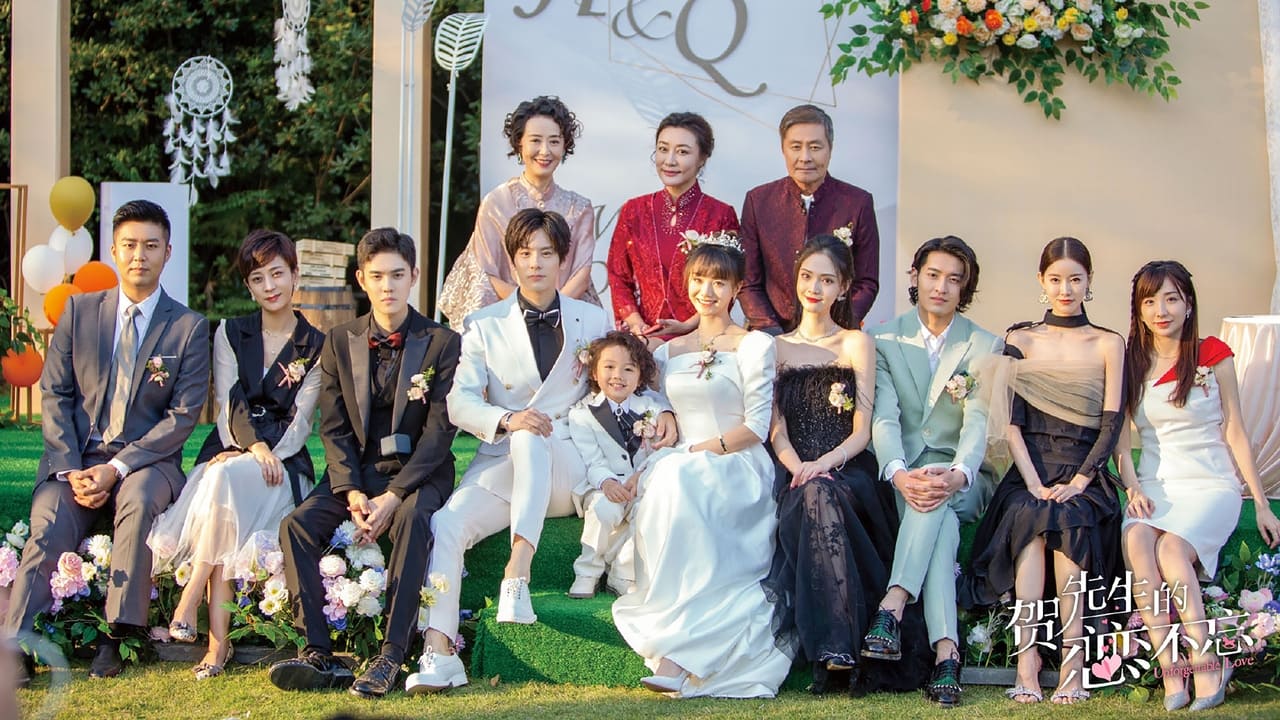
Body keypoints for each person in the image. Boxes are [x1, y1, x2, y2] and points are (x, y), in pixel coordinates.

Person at [405, 209, 675, 693]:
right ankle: (439, 650)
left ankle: (518, 571)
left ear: (562, 259)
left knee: (534, 436)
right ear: (511, 260)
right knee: (447, 523)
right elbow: (460, 403)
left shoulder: (591, 318)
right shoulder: (483, 323)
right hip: (504, 462)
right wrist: (508, 419)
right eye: (525, 253)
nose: (535, 263)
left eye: (546, 253)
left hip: (570, 465)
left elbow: (627, 377)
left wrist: (665, 409)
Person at [4, 200, 210, 683]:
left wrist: (117, 468)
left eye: (151, 246)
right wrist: (71, 467)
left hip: (148, 462)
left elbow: (182, 417)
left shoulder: (188, 327)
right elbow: (55, 393)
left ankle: (118, 633)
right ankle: (17, 641)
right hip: (77, 458)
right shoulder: (79, 312)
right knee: (49, 519)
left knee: (137, 500)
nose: (140, 255)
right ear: (114, 251)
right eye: (130, 245)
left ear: (167, 252)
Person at [267, 228, 462, 699]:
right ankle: (317, 652)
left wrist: (393, 497)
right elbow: (333, 427)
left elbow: (439, 434)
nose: (387, 286)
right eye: (377, 276)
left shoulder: (442, 342)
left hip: (419, 473)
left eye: (397, 275)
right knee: (296, 526)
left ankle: (391, 654)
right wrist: (353, 492)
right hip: (356, 472)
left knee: (413, 518)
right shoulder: (340, 340)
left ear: (414, 276)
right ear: (361, 279)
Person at [611, 238, 791, 699]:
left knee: (682, 480)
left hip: (736, 462)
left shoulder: (755, 345)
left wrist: (698, 451)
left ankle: (678, 655)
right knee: (672, 482)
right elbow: (656, 400)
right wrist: (666, 415)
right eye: (698, 280)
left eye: (718, 282)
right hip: (682, 462)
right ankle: (675, 641)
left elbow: (756, 426)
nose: (706, 291)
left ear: (736, 289)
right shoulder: (668, 351)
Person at [147, 229, 325, 680]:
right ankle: (216, 641)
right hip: (232, 448)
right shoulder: (230, 332)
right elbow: (229, 402)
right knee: (223, 482)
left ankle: (202, 615)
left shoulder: (317, 345)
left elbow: (302, 421)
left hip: (284, 463)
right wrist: (251, 448)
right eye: (258, 278)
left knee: (222, 484)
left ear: (295, 275)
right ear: (248, 286)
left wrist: (268, 453)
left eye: (277, 274)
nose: (270, 286)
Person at [762, 234, 930, 695]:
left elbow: (863, 430)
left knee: (824, 492)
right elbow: (776, 429)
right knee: (814, 494)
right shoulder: (775, 348)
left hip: (848, 469)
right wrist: (800, 467)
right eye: (807, 277)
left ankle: (837, 647)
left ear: (843, 288)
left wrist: (825, 463)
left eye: (827, 280)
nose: (814, 288)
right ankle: (839, 646)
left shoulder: (857, 343)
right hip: (795, 472)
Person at [961, 237, 1125, 705]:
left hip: (1085, 472)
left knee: (1069, 519)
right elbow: (1012, 423)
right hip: (1030, 470)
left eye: (1075, 279)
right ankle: (1026, 661)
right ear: (1041, 281)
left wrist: (1080, 480)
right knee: (1032, 517)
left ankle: (1073, 665)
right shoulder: (1020, 340)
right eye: (1056, 279)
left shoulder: (1109, 343)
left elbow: (1111, 424)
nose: (1065, 289)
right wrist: (1034, 482)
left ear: (1089, 282)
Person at [1116, 260, 1280, 711]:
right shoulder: (1130, 362)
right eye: (1150, 301)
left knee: (1172, 550)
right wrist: (1132, 487)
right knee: (1138, 541)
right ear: (1138, 309)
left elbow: (1236, 431)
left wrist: (1260, 503)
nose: (1161, 310)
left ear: (1188, 304)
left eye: (1171, 299)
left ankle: (1207, 662)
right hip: (1154, 484)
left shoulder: (1213, 354)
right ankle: (1172, 670)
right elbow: (1121, 442)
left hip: (1210, 485)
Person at [861, 236, 1001, 708]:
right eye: (933, 275)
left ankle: (893, 604)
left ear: (965, 288)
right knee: (938, 522)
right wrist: (899, 474)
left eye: (953, 280)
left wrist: (959, 473)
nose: (941, 287)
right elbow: (884, 416)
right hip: (906, 475)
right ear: (916, 277)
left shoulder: (984, 343)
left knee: (937, 498)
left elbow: (977, 421)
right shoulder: (883, 338)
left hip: (963, 476)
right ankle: (947, 653)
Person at [438, 96, 598, 326]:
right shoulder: (496, 203)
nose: (545, 151)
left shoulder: (579, 207)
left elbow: (581, 275)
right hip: (508, 320)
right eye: (535, 140)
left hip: (566, 320)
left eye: (554, 141)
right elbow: (487, 273)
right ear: (519, 144)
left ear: (565, 145)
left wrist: (552, 312)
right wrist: (529, 311)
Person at [738, 104, 880, 333]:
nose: (805, 157)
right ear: (783, 149)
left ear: (830, 148)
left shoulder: (857, 203)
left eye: (815, 147)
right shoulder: (759, 201)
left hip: (835, 335)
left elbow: (866, 282)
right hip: (771, 334)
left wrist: (835, 328)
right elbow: (748, 281)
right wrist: (771, 331)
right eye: (796, 147)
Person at [606, 112, 739, 344]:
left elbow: (728, 284)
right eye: (663, 149)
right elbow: (618, 276)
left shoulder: (720, 215)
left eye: (682, 152)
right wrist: (637, 324)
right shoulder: (633, 210)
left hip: (698, 339)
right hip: (643, 339)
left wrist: (688, 326)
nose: (669, 160)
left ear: (702, 158)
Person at [566, 331, 668, 599]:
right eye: (609, 367)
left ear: (640, 376)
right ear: (595, 372)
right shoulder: (581, 414)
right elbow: (593, 460)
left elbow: (662, 450)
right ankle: (587, 572)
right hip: (604, 485)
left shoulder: (654, 409)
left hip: (642, 486)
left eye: (628, 369)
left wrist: (642, 476)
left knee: (648, 514)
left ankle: (622, 573)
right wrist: (607, 482)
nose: (618, 376)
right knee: (604, 509)